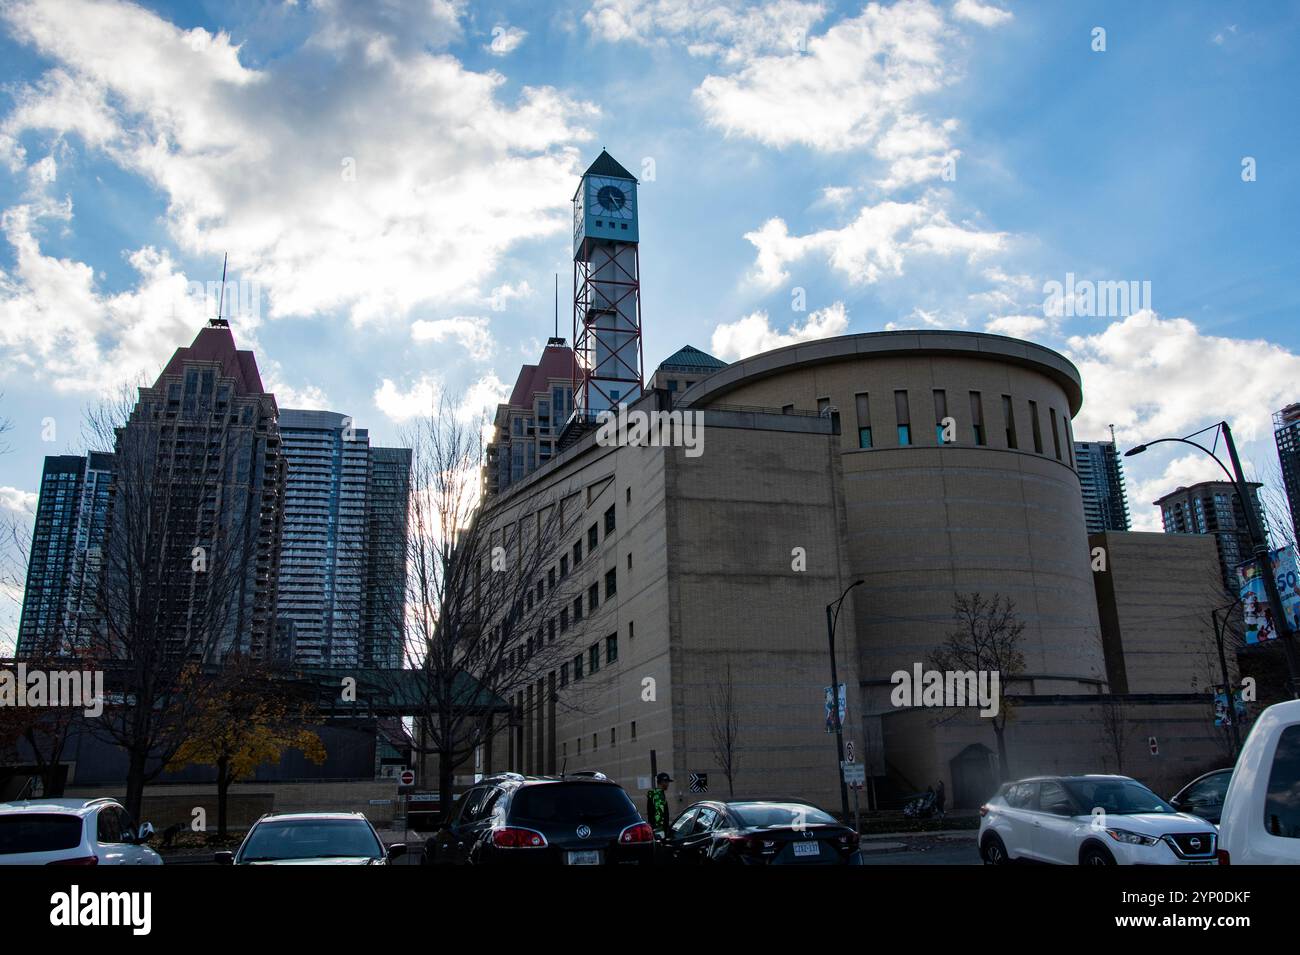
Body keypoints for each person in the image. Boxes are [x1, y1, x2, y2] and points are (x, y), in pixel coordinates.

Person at [647, 772, 672, 840]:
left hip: (654, 828)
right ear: (662, 782)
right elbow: (659, 817)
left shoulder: (654, 793)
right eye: (667, 782)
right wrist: (662, 833)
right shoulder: (658, 796)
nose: (668, 784)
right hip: (659, 831)